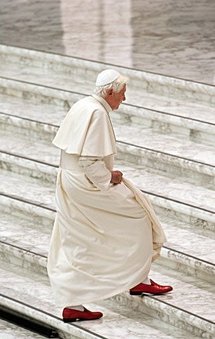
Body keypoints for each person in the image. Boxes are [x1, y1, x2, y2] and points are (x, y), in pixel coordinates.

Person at [47, 69, 173, 323]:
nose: (124, 99)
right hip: (86, 184)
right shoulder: (96, 112)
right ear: (109, 92)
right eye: (122, 93)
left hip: (72, 180)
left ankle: (135, 280)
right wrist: (109, 177)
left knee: (80, 238)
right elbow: (89, 160)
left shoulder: (85, 104)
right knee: (137, 216)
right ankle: (137, 279)